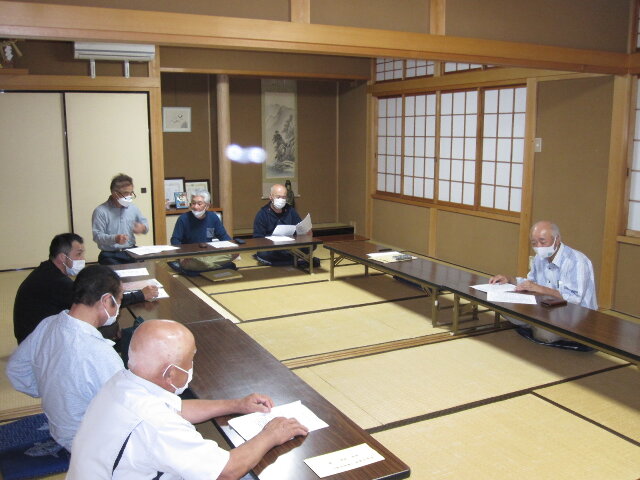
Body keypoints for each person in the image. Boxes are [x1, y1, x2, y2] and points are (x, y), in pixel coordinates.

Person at [67, 319, 308, 479]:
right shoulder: (156, 423)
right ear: (171, 373)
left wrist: (236, 404)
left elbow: (177, 409)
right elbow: (227, 471)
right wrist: (270, 434)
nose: (192, 366)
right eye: (190, 360)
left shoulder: (122, 382)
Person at [6, 265, 126, 452]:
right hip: (90, 442)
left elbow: (16, 369)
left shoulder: (48, 323)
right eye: (119, 301)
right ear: (105, 300)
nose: (118, 307)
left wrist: (50, 390)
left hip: (58, 427)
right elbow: (126, 411)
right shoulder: (100, 353)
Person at [12, 233, 157, 344]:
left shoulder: (47, 270)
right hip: (37, 341)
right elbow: (99, 302)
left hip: (38, 331)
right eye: (78, 254)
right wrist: (141, 295)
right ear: (62, 257)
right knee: (108, 325)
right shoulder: (55, 281)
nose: (82, 259)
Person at [489, 220, 597, 343]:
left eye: (543, 241)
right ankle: (536, 324)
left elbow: (575, 298)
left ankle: (538, 326)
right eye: (534, 243)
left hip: (576, 316)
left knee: (545, 335)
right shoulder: (539, 258)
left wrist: (541, 289)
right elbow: (530, 283)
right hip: (547, 310)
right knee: (504, 307)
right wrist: (510, 279)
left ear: (557, 239)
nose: (538, 247)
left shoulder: (576, 261)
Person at [170, 190, 237, 272]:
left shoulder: (213, 217)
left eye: (199, 204)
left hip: (209, 255)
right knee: (195, 263)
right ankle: (217, 266)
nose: (195, 207)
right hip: (191, 256)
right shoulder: (183, 219)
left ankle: (207, 267)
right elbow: (175, 240)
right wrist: (182, 256)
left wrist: (232, 247)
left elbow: (223, 235)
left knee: (234, 253)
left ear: (207, 206)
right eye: (193, 203)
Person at [252, 183, 318, 267]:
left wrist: (307, 233)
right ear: (271, 197)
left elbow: (299, 227)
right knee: (263, 253)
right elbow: (257, 239)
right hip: (272, 248)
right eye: (278, 197)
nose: (281, 200)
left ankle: (285, 261)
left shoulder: (290, 211)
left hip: (290, 245)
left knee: (312, 244)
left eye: (284, 197)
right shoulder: (262, 214)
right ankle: (297, 260)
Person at [92, 173, 149, 265]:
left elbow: (145, 225)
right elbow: (97, 236)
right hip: (110, 254)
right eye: (126, 193)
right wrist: (114, 238)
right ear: (115, 193)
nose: (129, 196)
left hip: (131, 251)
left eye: (131, 193)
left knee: (145, 267)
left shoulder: (133, 208)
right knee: (115, 271)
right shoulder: (101, 211)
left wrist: (143, 228)